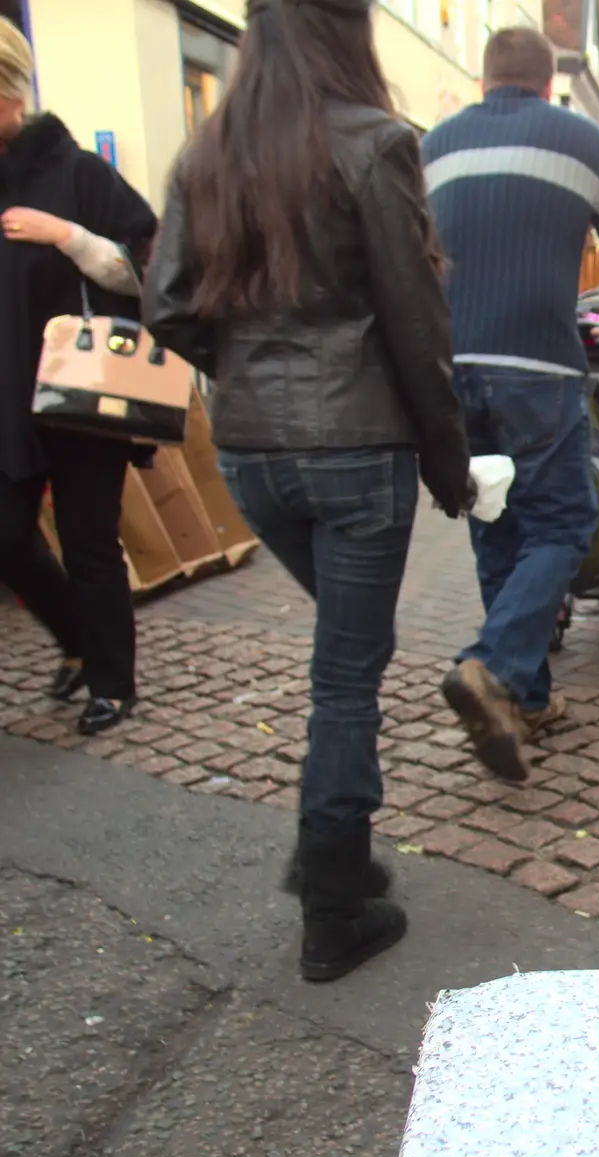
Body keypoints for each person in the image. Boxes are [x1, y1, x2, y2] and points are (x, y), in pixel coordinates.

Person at [143, 0, 473, 982]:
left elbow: (166, 304)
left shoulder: (209, 151)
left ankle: (342, 856)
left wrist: (242, 362)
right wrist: (448, 466)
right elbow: (416, 325)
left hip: (250, 451)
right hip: (356, 448)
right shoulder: (374, 144)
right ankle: (331, 894)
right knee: (346, 675)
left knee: (346, 651)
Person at [420, 26, 599, 781]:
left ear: (485, 78)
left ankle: (527, 694)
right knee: (562, 521)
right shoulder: (580, 140)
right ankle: (489, 666)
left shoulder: (434, 147)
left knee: (494, 522)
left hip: (452, 363)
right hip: (539, 364)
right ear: (549, 82)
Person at [0, 17, 158, 736]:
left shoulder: (76, 171)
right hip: (7, 392)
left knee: (89, 536)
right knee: (7, 533)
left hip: (81, 389)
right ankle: (73, 639)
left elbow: (148, 265)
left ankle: (112, 679)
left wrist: (66, 235)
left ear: (11, 92)